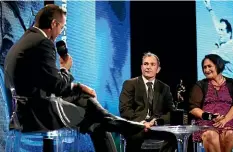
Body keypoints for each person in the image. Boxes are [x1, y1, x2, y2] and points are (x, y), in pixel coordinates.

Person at [4, 4, 149, 152]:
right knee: (94, 120)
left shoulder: (26, 41)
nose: (60, 32)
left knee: (85, 99)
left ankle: (122, 126)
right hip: (37, 115)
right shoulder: (43, 43)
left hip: (26, 113)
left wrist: (78, 87)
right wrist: (65, 68)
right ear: (53, 24)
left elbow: (46, 84)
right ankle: (125, 127)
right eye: (61, 27)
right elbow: (57, 87)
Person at [189, 54, 233, 152]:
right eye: (204, 67)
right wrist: (211, 116)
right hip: (208, 120)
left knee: (229, 134)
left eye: (209, 66)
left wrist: (225, 120)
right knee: (209, 134)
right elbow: (193, 107)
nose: (206, 70)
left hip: (231, 119)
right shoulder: (200, 85)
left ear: (218, 65)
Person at [119, 52, 177, 152]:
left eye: (152, 64)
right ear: (141, 67)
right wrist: (143, 123)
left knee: (172, 137)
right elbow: (125, 109)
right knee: (135, 135)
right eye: (145, 64)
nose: (148, 67)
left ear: (158, 69)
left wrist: (156, 122)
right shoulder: (130, 84)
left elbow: (171, 112)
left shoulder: (164, 88)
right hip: (137, 126)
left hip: (157, 127)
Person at [204, 0, 233, 79]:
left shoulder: (229, 48)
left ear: (229, 33)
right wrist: (210, 9)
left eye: (222, 30)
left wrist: (217, 45)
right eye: (219, 30)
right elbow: (218, 27)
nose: (219, 33)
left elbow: (210, 55)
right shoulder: (226, 40)